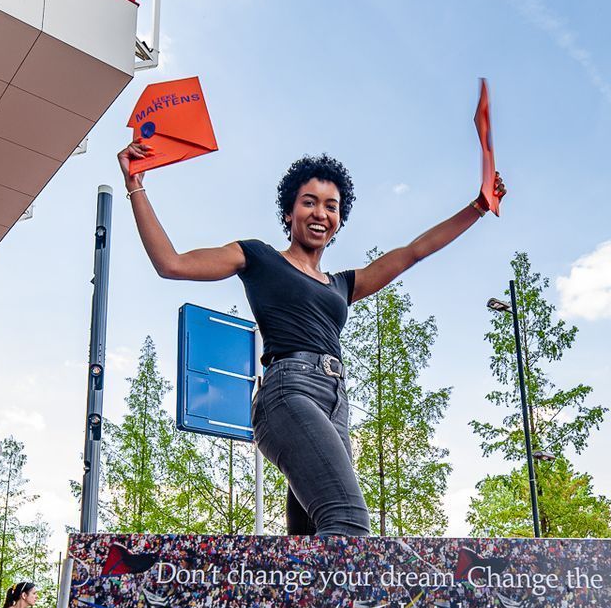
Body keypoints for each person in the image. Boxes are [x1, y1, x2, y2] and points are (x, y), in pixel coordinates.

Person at [118, 140, 506, 535]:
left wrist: (477, 207)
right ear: (289, 212)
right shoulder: (259, 257)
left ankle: (296, 595)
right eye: (309, 202)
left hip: (336, 404)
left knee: (308, 537)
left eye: (331, 206)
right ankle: (352, 600)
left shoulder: (342, 285)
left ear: (339, 219)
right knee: (347, 520)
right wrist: (136, 184)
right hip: (289, 393)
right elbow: (171, 263)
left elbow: (413, 252)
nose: (320, 213)